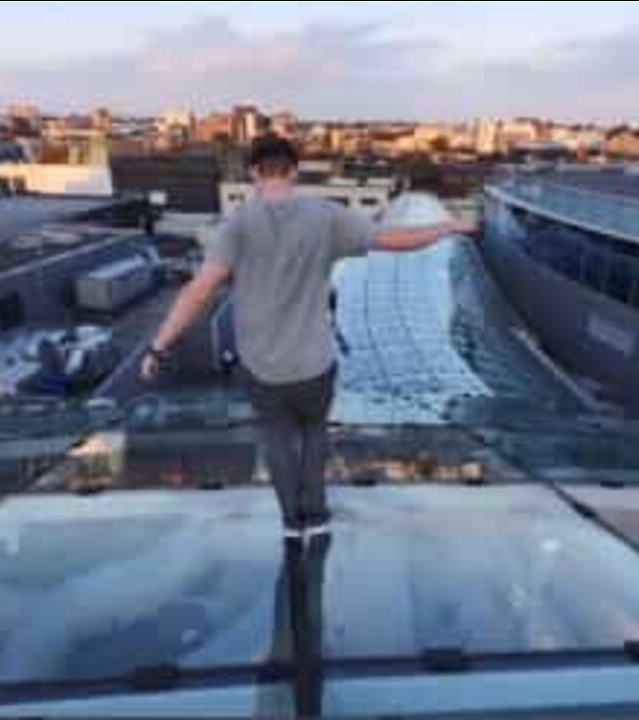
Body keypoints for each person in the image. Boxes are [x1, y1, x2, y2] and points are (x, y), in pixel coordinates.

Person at [141, 134, 470, 543]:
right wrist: (448, 225)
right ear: (294, 171)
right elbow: (395, 241)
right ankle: (316, 516)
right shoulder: (327, 215)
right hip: (315, 363)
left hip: (263, 366)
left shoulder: (238, 224)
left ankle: (291, 523)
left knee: (278, 439)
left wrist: (159, 346)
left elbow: (200, 291)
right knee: (315, 435)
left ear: (254, 173)